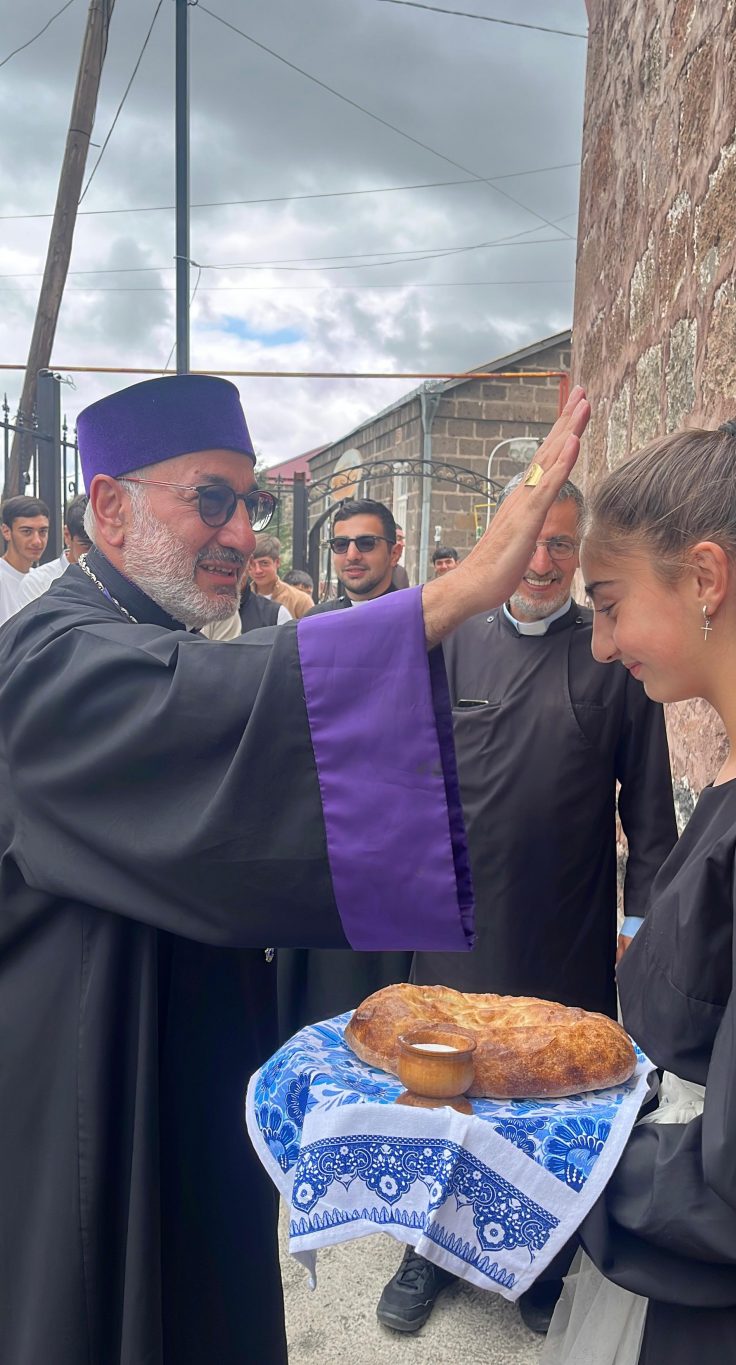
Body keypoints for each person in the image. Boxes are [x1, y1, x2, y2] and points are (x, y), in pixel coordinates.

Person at [0, 372, 590, 1365]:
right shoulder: (50, 655)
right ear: (110, 505)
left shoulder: (153, 633)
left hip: (185, 1067)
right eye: (212, 500)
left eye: (253, 504)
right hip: (91, 1088)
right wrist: (453, 595)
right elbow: (203, 697)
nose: (240, 533)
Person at [377, 477, 678, 1337]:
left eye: (561, 544)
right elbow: (404, 776)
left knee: (548, 1096)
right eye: (531, 541)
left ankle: (538, 1256)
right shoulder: (453, 642)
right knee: (445, 1087)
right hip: (457, 926)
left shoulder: (613, 658)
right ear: (501, 537)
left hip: (566, 924)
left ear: (579, 551)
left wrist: (638, 923)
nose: (542, 562)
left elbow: (650, 813)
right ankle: (428, 1248)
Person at [539, 402, 736, 1365]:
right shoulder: (734, 773)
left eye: (609, 602)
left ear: (705, 577)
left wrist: (537, 1158)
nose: (600, 643)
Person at [278, 498, 413, 1037]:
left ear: (394, 550)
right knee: (318, 994)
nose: (352, 554)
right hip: (323, 832)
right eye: (341, 544)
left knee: (385, 994)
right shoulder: (314, 625)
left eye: (366, 543)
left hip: (395, 841)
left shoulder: (423, 621)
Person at [21, 493, 93, 603]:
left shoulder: (113, 577)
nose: (95, 553)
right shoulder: (37, 582)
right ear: (67, 535)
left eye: (101, 548)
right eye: (87, 546)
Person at [0, 494, 49, 624]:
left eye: (43, 531)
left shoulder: (43, 579)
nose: (37, 541)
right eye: (27, 531)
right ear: (6, 532)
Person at [248, 532, 313, 618]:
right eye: (251, 564)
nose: (258, 570)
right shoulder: (240, 600)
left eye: (264, 563)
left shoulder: (300, 601)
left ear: (277, 562)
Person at [392, 522, 410, 588]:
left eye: (402, 539)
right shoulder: (373, 571)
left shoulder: (401, 573)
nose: (403, 544)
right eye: (398, 539)